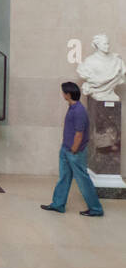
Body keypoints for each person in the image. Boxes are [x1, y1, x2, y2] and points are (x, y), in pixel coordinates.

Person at [41, 81, 105, 217]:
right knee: (64, 177)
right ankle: (58, 205)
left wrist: (73, 150)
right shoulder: (72, 107)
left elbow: (79, 133)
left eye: (63, 92)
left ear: (68, 94)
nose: (62, 94)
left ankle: (96, 209)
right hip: (66, 149)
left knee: (82, 180)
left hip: (74, 152)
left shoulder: (79, 111)